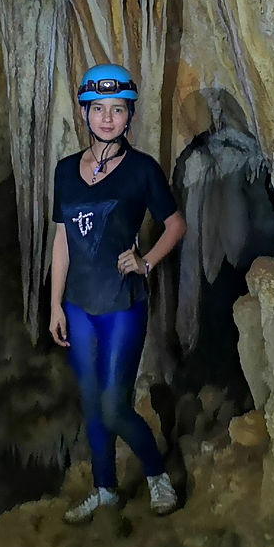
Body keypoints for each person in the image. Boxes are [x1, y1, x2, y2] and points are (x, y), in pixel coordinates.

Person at [50, 63, 187, 523]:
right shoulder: (66, 172)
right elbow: (63, 238)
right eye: (99, 109)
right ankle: (105, 489)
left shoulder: (142, 170)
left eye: (118, 109)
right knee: (91, 403)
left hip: (123, 305)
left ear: (129, 116)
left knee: (113, 405)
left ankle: (155, 475)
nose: (107, 118)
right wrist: (54, 304)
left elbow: (175, 225)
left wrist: (146, 261)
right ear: (85, 112)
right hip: (79, 304)